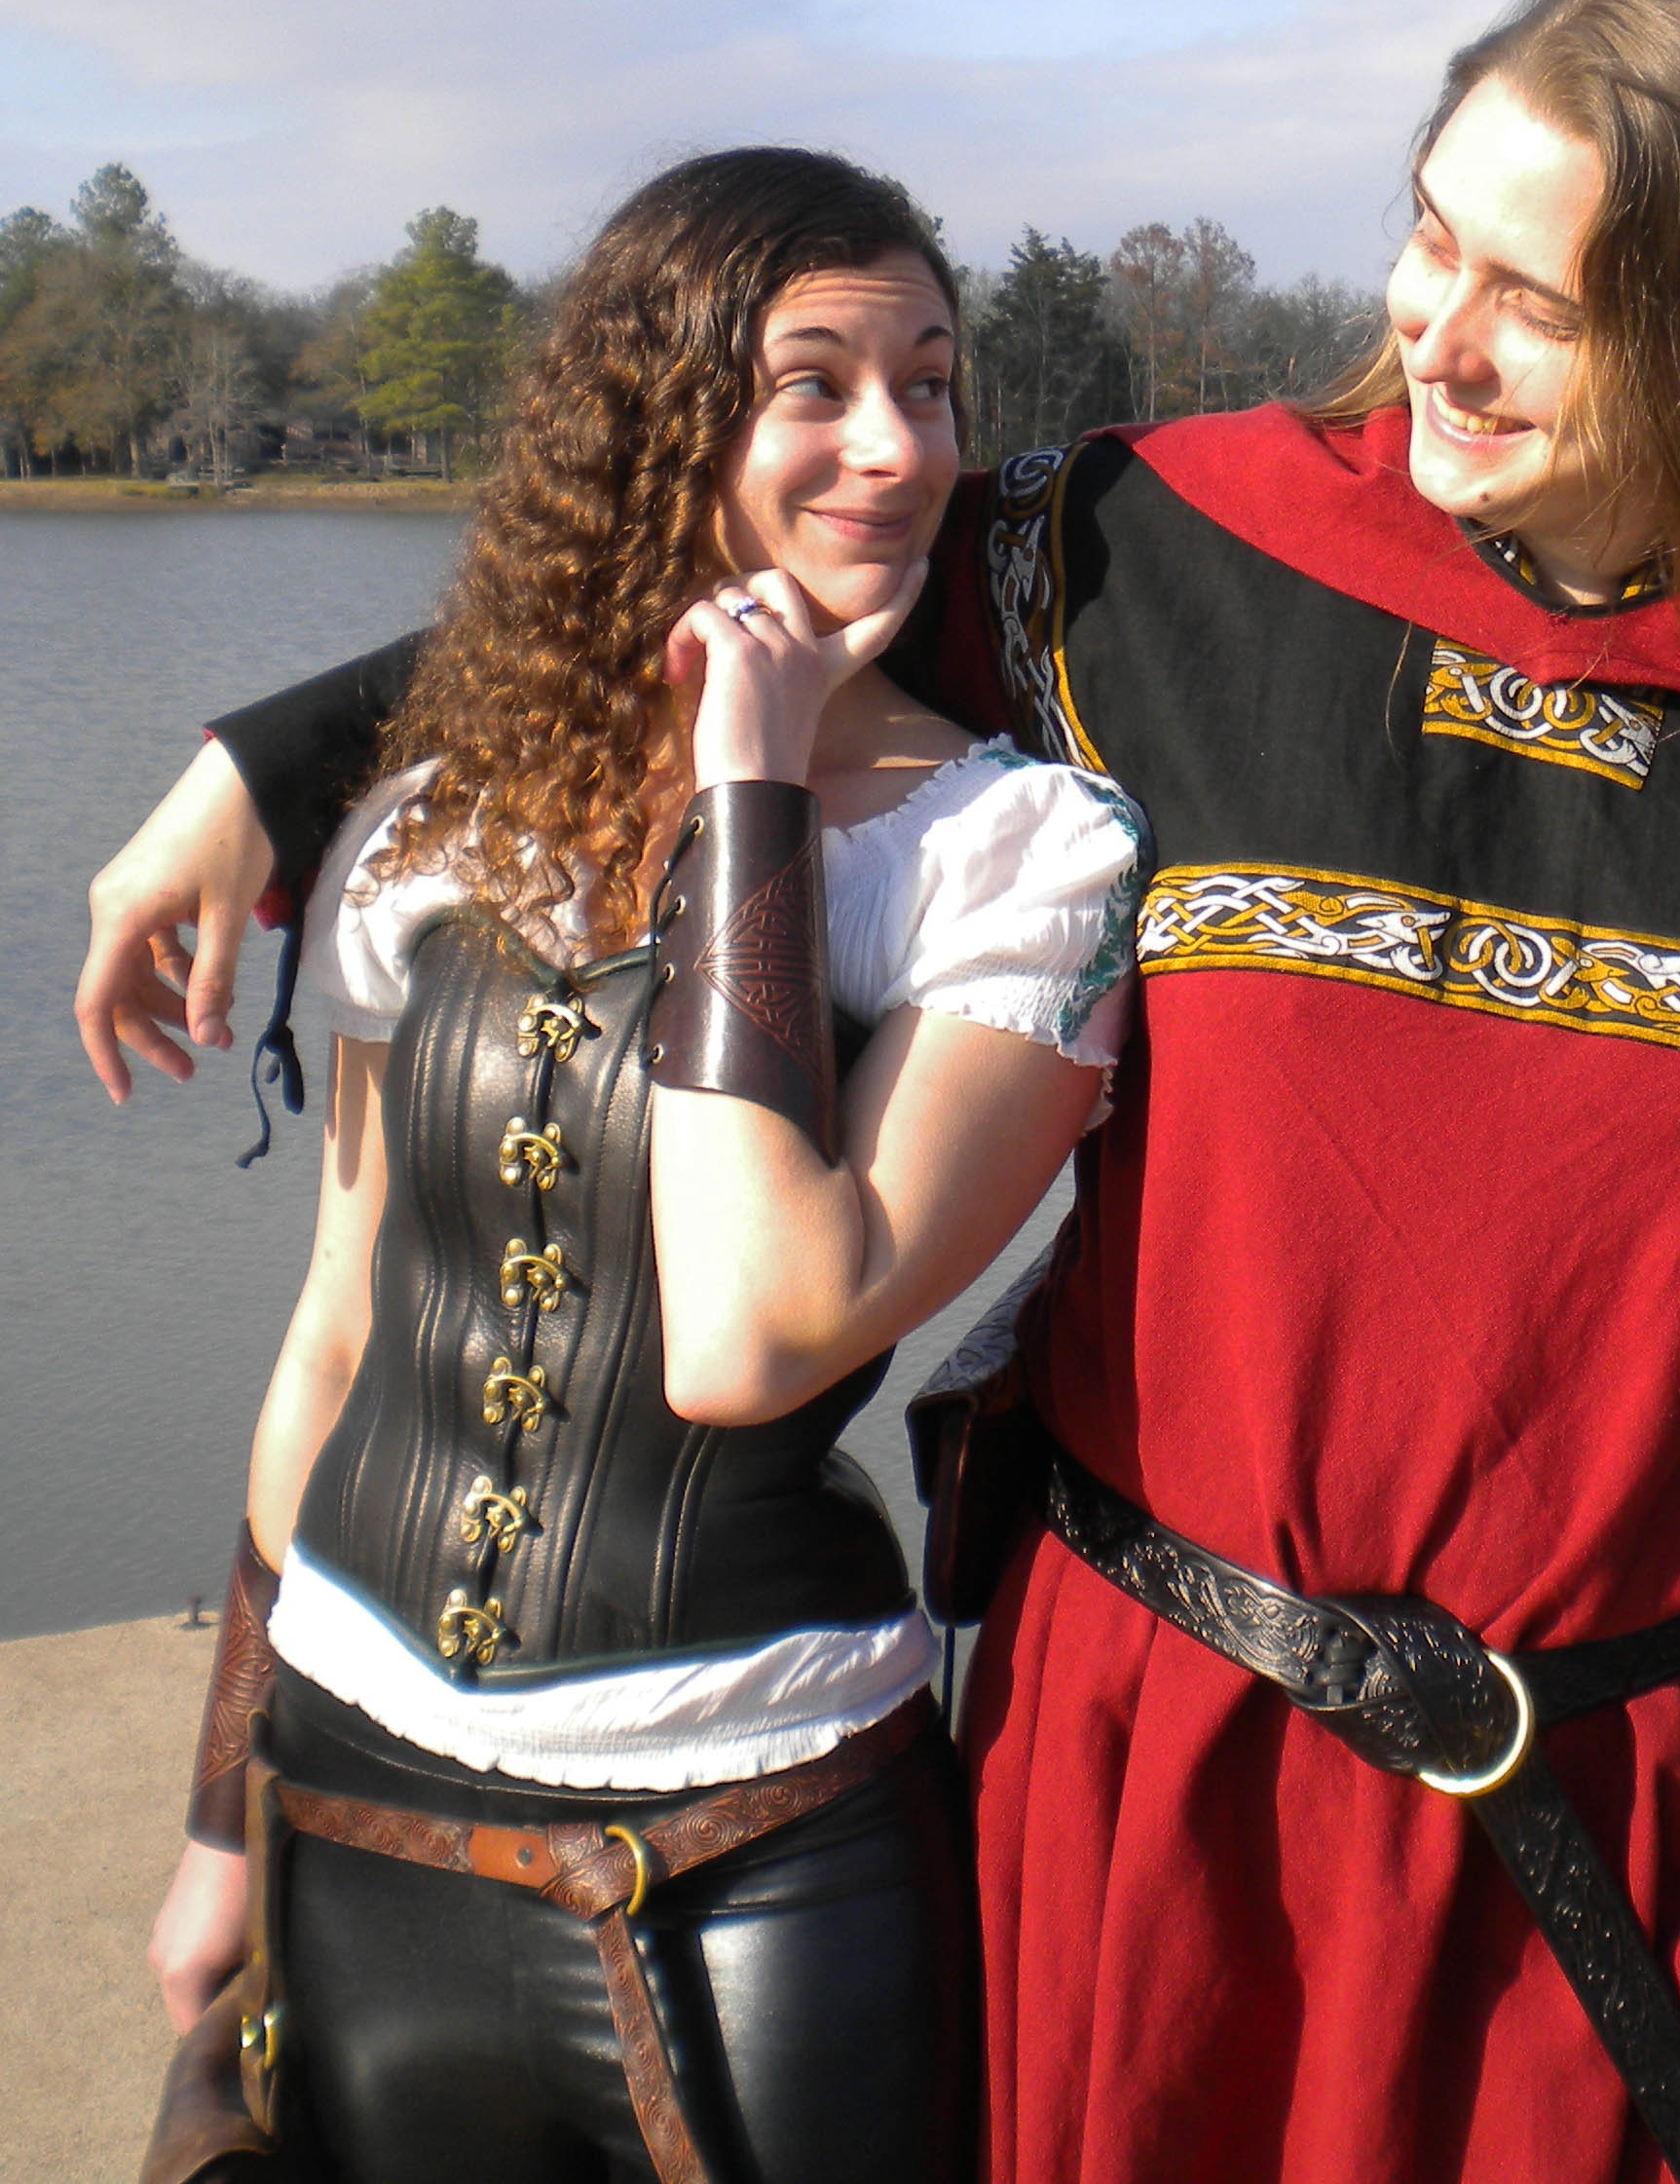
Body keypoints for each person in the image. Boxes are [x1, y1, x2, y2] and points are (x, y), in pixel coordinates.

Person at [87, 0, 1680, 2184]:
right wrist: (261, 771)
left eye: (1538, 300)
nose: (1435, 334)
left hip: (1668, 1799)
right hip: (1163, 1773)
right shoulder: (1151, 563)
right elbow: (697, 595)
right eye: (1431, 234)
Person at [131, 147, 1143, 2184]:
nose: (899, 447)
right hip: (352, 1785)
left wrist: (749, 788)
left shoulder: (1014, 854)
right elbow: (335, 1338)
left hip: (755, 1833)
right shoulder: (435, 814)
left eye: (933, 383)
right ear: (662, 422)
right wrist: (220, 1813)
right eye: (817, 385)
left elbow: (760, 1330)